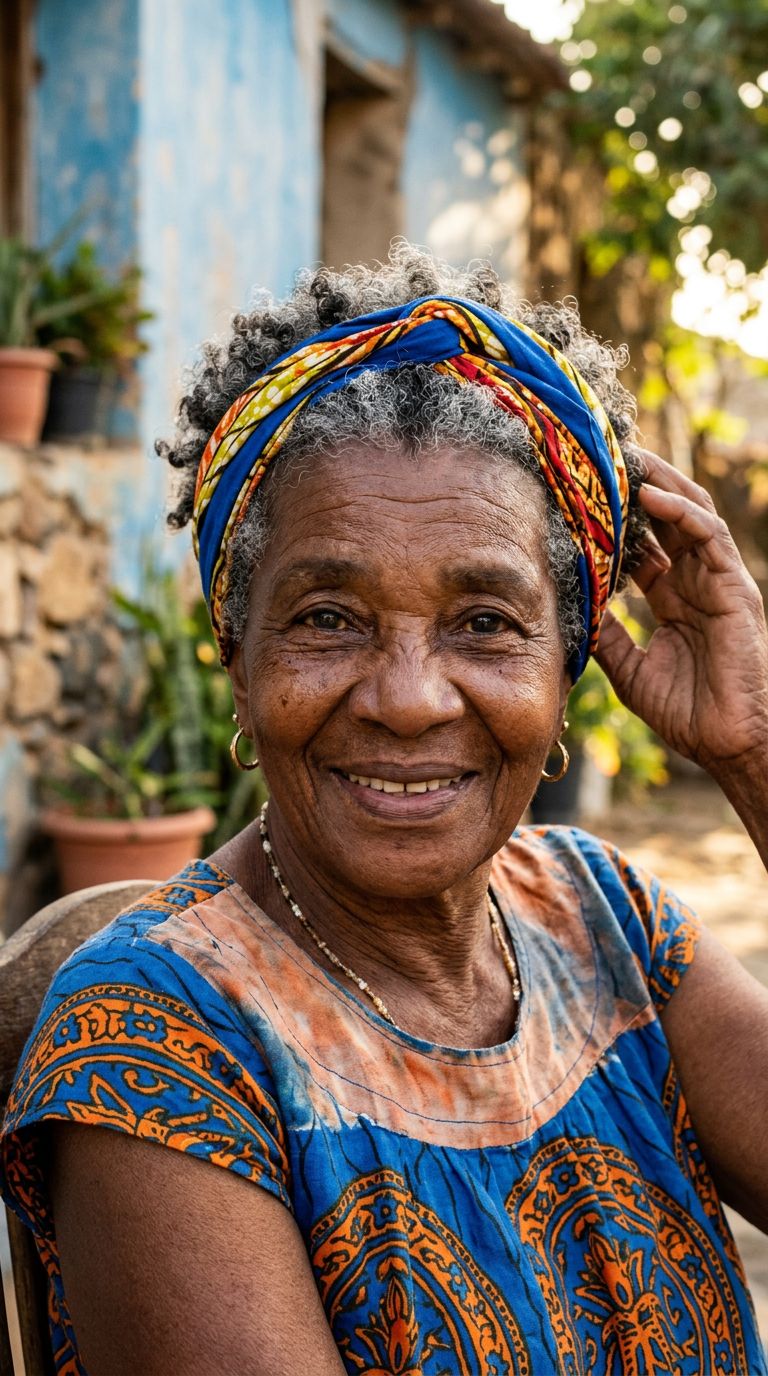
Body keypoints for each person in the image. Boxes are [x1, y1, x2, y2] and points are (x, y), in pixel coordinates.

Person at [3, 244, 768, 1376]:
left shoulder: (609, 918)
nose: (408, 699)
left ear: (567, 665)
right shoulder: (151, 1045)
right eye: (327, 617)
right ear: (237, 653)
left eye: (485, 623)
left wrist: (754, 755)